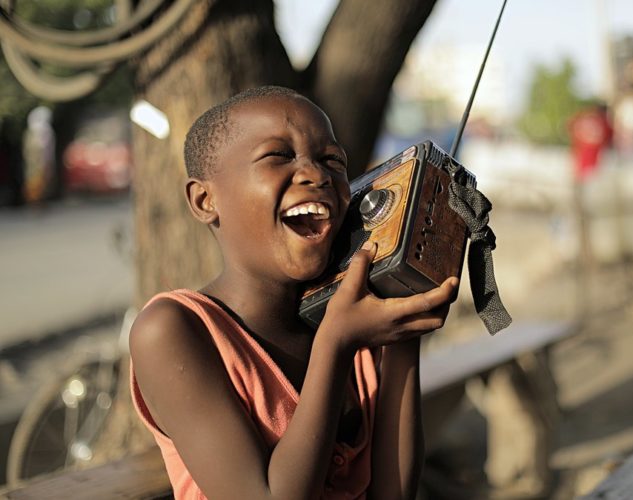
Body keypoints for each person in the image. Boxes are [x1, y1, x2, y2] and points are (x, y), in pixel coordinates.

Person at [129, 85, 459, 499]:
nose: (317, 175)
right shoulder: (173, 331)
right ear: (204, 199)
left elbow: (393, 494)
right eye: (278, 156)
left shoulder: (353, 315)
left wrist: (404, 328)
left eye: (332, 160)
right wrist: (335, 345)